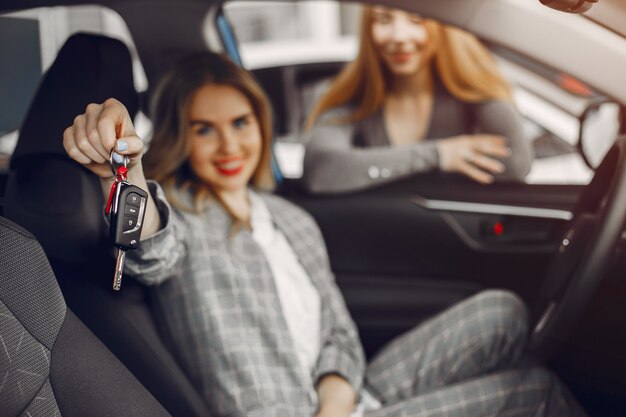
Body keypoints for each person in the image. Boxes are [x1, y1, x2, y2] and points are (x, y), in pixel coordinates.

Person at [62, 52, 585, 417]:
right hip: (285, 410)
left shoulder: (291, 219)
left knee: (505, 312)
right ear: (181, 136)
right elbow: (153, 252)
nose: (229, 145)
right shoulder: (181, 212)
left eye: (241, 122)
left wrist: (336, 399)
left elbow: (338, 332)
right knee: (534, 392)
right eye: (204, 129)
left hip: (341, 398)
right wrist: (123, 176)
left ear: (261, 126)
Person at [303, 6, 534, 193]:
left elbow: (517, 164)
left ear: (444, 26)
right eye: (383, 20)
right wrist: (438, 155)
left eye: (417, 19)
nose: (399, 36)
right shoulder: (354, 99)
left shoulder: (472, 93)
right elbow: (322, 170)